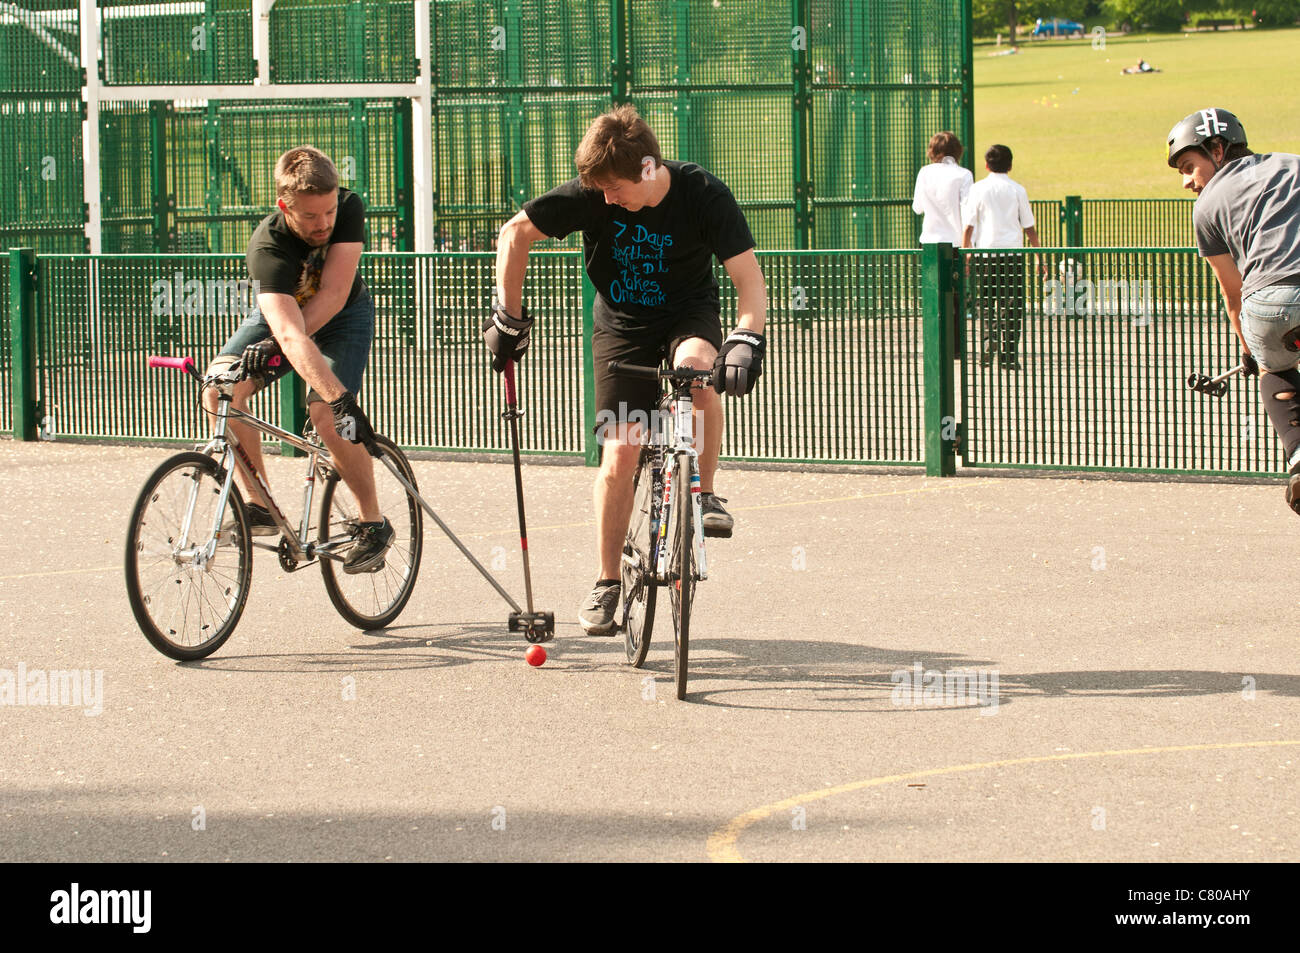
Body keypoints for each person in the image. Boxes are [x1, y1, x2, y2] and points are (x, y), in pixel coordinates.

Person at [486, 104, 768, 636]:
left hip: (688, 313)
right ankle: (607, 580)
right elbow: (514, 234)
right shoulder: (595, 192)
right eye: (600, 190)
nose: (606, 198)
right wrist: (509, 314)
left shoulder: (703, 193)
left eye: (614, 188)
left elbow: (750, 284)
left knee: (698, 376)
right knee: (620, 450)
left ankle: (703, 491)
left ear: (646, 168)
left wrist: (745, 340)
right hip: (621, 324)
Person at [202, 146, 393, 573]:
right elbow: (287, 331)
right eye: (309, 216)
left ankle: (372, 523)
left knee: (327, 414)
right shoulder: (267, 247)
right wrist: (277, 343)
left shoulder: (348, 206)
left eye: (327, 212)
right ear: (283, 206)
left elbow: (334, 294)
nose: (323, 223)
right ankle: (259, 502)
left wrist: (340, 399)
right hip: (284, 316)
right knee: (218, 392)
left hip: (344, 316)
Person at [1167, 107, 1300, 514]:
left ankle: (1297, 458)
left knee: (1274, 370)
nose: (1188, 182)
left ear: (1218, 149)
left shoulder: (1206, 207)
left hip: (1267, 304)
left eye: (1189, 167)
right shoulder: (1293, 164)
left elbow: (1232, 289)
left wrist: (1250, 350)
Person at [961, 143, 1041, 370]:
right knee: (1013, 305)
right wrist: (1039, 257)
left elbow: (968, 226)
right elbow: (1029, 227)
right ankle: (1009, 357)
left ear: (986, 165)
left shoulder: (977, 189)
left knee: (984, 301)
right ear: (1010, 165)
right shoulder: (1018, 190)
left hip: (985, 253)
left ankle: (989, 337)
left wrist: (966, 254)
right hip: (1012, 255)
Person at [912, 131, 973, 246]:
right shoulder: (964, 174)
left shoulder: (924, 172)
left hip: (928, 241)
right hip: (955, 243)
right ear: (958, 151)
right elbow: (967, 213)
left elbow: (917, 208)